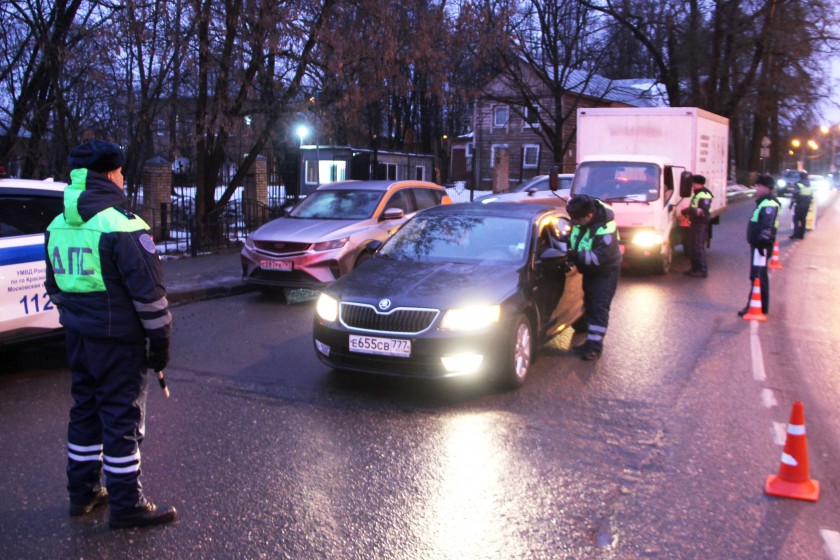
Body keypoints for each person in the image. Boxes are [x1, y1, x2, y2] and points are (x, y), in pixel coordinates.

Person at [44, 140, 177, 529]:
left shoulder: (57, 225)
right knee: (122, 419)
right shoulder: (123, 225)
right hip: (119, 342)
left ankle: (82, 494)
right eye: (120, 172)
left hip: (79, 339)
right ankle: (126, 505)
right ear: (109, 174)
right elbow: (150, 298)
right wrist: (161, 346)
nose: (123, 178)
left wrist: (76, 317)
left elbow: (54, 286)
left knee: (85, 413)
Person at [564, 195, 622, 360]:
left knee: (598, 308)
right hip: (590, 272)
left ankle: (594, 348)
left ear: (589, 216)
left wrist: (575, 256)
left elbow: (597, 258)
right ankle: (590, 342)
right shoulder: (582, 219)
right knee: (590, 305)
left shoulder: (605, 229)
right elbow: (574, 237)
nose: (573, 222)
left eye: (576, 219)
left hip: (604, 272)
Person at [738, 174, 780, 317]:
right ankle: (760, 305)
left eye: (759, 186)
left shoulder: (769, 204)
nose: (756, 188)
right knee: (758, 275)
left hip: (761, 245)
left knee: (757, 276)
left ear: (766, 188)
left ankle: (756, 305)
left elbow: (767, 224)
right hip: (759, 244)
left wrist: (763, 239)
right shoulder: (764, 202)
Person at [681, 174, 714, 278]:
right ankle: (694, 269)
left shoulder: (704, 194)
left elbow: (702, 211)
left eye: (693, 183)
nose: (691, 185)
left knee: (698, 247)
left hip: (700, 223)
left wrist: (689, 210)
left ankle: (702, 270)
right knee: (692, 247)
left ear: (697, 183)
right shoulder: (697, 194)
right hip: (695, 223)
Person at [789, 171, 813, 239]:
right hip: (806, 205)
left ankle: (796, 233)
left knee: (796, 219)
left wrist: (791, 204)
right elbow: (811, 196)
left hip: (799, 204)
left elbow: (795, 195)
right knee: (803, 219)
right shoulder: (809, 184)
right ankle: (802, 234)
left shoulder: (798, 184)